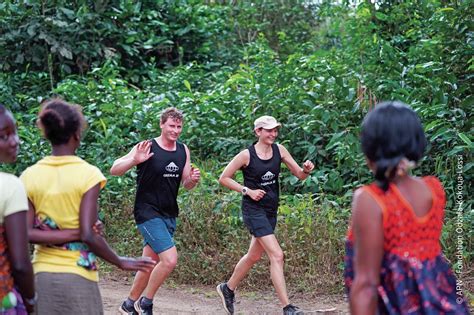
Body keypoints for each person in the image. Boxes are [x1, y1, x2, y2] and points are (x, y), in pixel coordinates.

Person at [20, 99, 156, 315]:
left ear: (47, 134)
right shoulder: (88, 174)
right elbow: (88, 234)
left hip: (42, 275)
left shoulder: (29, 176)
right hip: (79, 274)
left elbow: (26, 233)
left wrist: (78, 232)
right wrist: (120, 261)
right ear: (77, 134)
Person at [344, 101, 470, 314]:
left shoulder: (370, 199)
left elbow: (366, 285)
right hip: (440, 303)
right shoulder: (433, 189)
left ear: (371, 148)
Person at [216, 115, 314, 315]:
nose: (273, 134)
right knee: (277, 255)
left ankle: (228, 288)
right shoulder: (247, 155)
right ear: (258, 132)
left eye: (275, 130)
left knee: (253, 255)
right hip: (253, 210)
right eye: (268, 130)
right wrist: (247, 191)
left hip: (270, 210)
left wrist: (306, 170)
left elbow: (300, 175)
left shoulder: (280, 150)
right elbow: (224, 178)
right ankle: (287, 308)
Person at [110, 107, 200, 315]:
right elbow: (115, 168)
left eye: (179, 127)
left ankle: (128, 304)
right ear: (161, 124)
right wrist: (135, 160)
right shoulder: (147, 146)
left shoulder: (183, 150)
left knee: (149, 263)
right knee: (169, 260)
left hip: (169, 213)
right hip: (147, 212)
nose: (175, 130)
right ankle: (146, 302)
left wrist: (192, 180)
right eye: (171, 126)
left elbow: (186, 183)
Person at [0, 104, 35, 314]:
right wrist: (31, 300)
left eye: (14, 132)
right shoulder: (10, 186)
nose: (15, 141)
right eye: (4, 136)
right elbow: (21, 263)